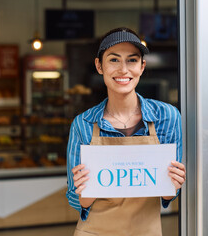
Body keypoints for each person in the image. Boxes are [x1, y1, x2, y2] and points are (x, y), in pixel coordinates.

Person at [66, 27, 186, 236]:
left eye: (132, 60)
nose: (123, 69)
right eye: (113, 60)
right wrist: (82, 190)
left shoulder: (167, 117)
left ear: (142, 67)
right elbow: (77, 201)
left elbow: (167, 197)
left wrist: (174, 186)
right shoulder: (83, 123)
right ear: (99, 65)